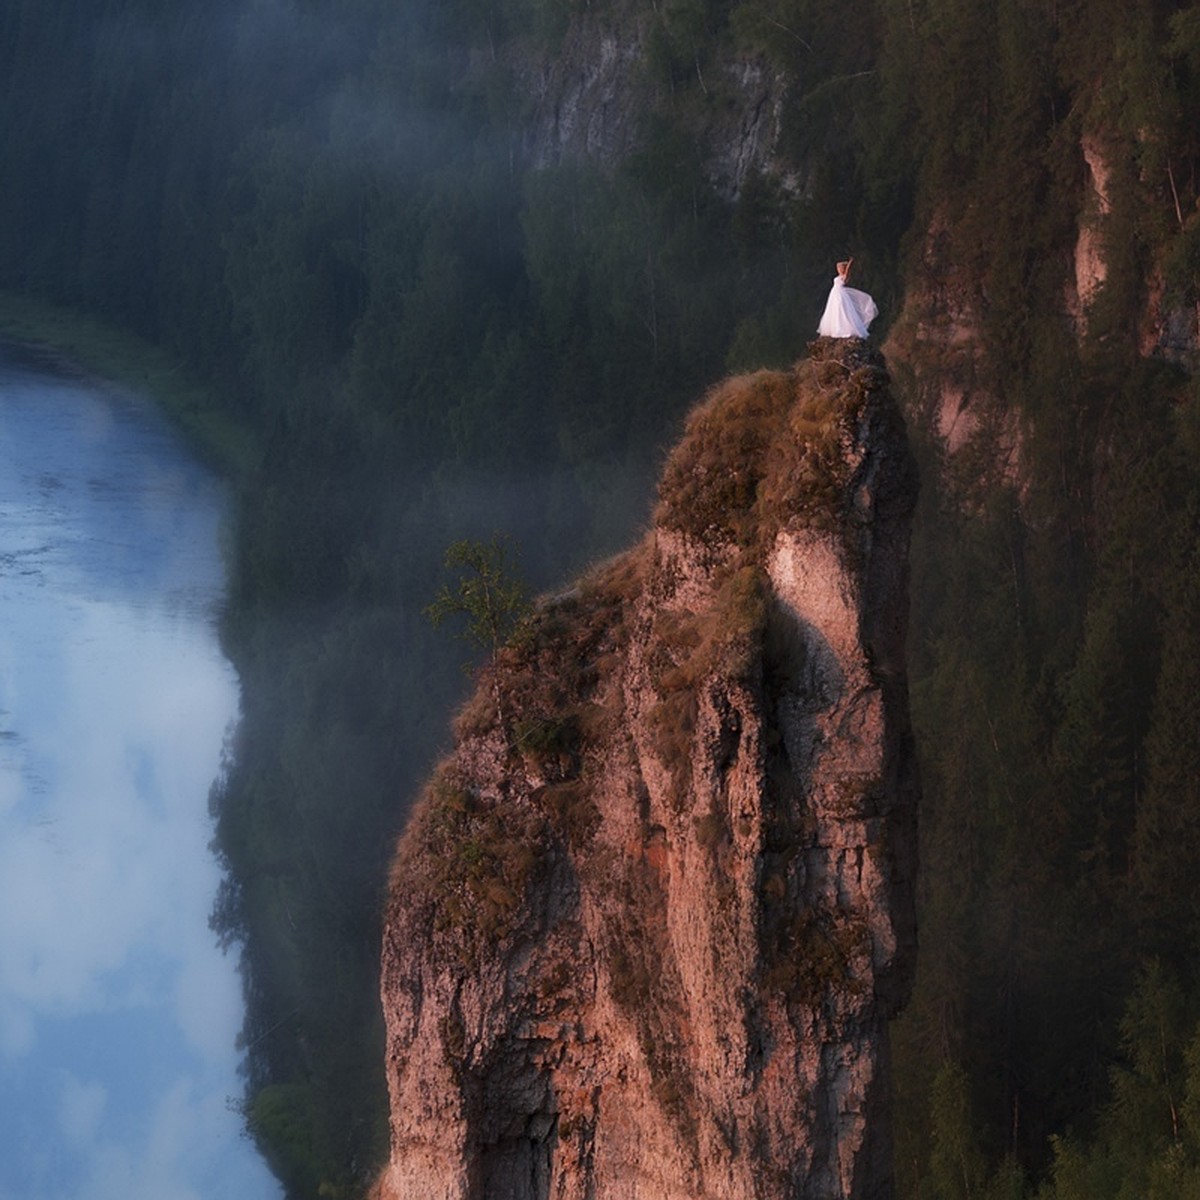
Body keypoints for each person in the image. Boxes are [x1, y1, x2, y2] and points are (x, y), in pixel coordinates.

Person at [817, 257, 878, 338]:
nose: (839, 269)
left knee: (841, 309)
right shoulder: (839, 276)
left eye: (841, 268)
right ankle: (835, 328)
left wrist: (850, 262)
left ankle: (843, 328)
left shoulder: (844, 277)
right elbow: (838, 265)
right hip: (834, 294)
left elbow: (847, 271)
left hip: (840, 294)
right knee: (834, 310)